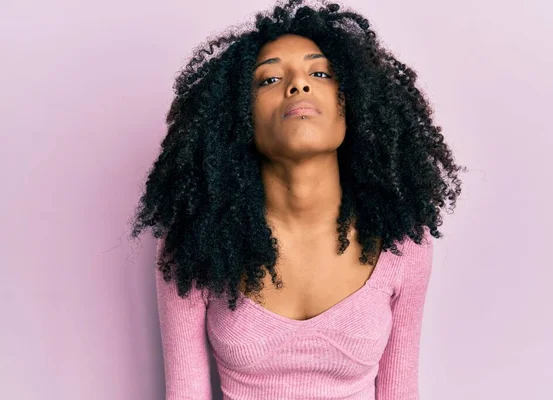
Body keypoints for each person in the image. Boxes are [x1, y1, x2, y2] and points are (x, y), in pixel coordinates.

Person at [130, 0, 464, 398]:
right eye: (269, 79)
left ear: (351, 105)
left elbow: (400, 392)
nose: (298, 85)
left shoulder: (402, 243)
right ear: (239, 118)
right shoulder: (194, 244)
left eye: (320, 73)